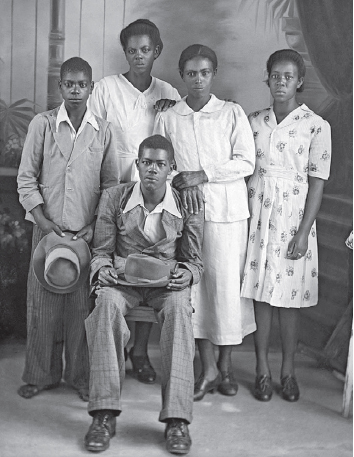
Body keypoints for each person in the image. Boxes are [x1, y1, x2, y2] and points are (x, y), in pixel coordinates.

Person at [83, 134, 204, 455]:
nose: (152, 170)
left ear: (171, 169)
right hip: (123, 282)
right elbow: (101, 250)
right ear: (137, 165)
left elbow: (195, 260)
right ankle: (104, 414)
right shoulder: (115, 198)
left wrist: (188, 273)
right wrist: (102, 269)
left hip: (166, 286)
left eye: (160, 164)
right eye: (146, 163)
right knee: (105, 304)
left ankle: (177, 419)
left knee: (180, 311)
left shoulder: (186, 203)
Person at [154, 44, 256, 401]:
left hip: (228, 214)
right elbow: (159, 164)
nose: (198, 79)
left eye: (205, 72)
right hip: (188, 213)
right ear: (182, 76)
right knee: (195, 287)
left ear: (214, 75)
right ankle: (208, 366)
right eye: (191, 73)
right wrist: (183, 180)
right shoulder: (169, 116)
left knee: (226, 289)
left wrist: (202, 175)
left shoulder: (230, 113)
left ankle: (226, 369)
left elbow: (246, 162)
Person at [17, 57, 119, 401]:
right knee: (42, 307)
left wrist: (94, 227)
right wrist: (44, 223)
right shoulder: (42, 125)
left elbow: (110, 186)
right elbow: (26, 178)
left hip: (84, 236)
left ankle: (79, 376)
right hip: (46, 232)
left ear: (91, 87)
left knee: (81, 311)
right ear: (60, 87)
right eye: (69, 84)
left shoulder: (103, 130)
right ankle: (40, 374)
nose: (75, 90)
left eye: (82, 84)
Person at [89, 18, 180, 384]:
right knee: (115, 269)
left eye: (145, 50)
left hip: (154, 191)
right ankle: (109, 354)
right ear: (124, 52)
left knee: (150, 266)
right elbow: (94, 142)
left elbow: (176, 144)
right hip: (115, 189)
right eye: (132, 50)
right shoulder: (106, 89)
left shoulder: (168, 91)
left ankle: (140, 352)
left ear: (156, 51)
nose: (138, 56)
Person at [241, 49, 332, 402]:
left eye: (288, 77)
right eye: (275, 76)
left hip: (294, 218)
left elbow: (318, 182)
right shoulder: (253, 121)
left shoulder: (315, 126)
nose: (281, 82)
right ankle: (263, 369)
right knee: (262, 295)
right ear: (268, 78)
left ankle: (288, 370)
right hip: (259, 215)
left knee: (289, 301)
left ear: (299, 81)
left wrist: (304, 231)